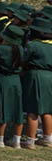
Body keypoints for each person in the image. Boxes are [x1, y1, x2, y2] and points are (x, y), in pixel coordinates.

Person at [0, 24, 25, 148]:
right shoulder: (21, 49)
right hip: (16, 80)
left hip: (3, 79)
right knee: (17, 109)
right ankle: (16, 139)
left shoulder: (0, 49)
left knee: (3, 109)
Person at [22, 15, 52, 149]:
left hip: (35, 75)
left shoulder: (33, 45)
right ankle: (48, 138)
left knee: (33, 109)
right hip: (50, 76)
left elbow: (24, 60)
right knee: (47, 109)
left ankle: (30, 140)